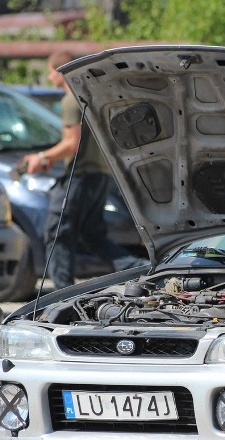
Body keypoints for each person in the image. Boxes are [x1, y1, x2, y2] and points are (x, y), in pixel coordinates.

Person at [22, 51, 138, 291]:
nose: (48, 76)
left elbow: (71, 144)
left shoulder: (70, 100)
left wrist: (42, 157)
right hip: (101, 176)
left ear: (59, 71)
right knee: (93, 236)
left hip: (80, 178)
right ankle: (137, 267)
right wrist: (53, 159)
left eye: (50, 70)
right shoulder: (93, 96)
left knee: (57, 234)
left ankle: (61, 293)